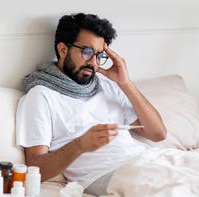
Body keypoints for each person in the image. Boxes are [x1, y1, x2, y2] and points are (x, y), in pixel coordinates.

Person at [15, 13, 166, 196]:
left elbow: (158, 134)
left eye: (99, 55)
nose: (94, 63)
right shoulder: (41, 96)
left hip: (149, 160)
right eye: (87, 52)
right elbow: (35, 168)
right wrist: (80, 145)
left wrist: (126, 84)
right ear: (63, 50)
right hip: (109, 174)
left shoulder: (108, 86)